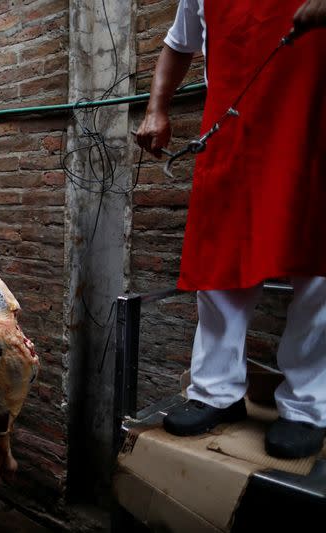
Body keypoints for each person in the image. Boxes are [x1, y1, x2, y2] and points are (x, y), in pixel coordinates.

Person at [136, 0, 326, 458]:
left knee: (320, 261)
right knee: (220, 257)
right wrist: (156, 108)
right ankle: (216, 392)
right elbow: (178, 44)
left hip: (315, 120)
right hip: (235, 131)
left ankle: (308, 406)